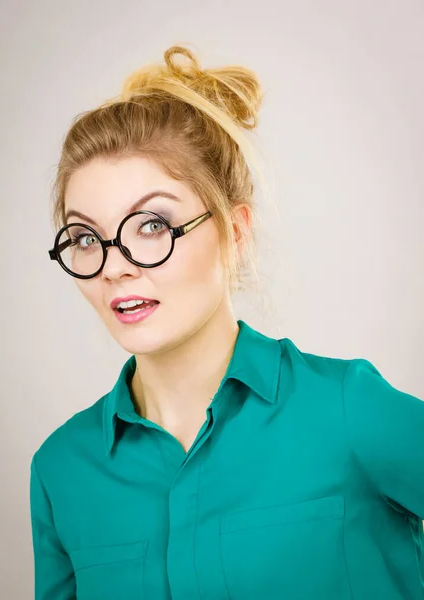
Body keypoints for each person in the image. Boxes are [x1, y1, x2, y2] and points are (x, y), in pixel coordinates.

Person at [29, 44, 424, 600]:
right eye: (86, 237)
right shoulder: (61, 469)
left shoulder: (349, 409)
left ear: (235, 233)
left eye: (151, 225)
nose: (114, 267)